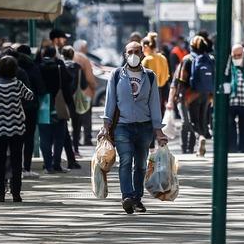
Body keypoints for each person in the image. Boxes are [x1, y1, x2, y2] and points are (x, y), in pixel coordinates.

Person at [99, 41, 168, 214]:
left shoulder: (150, 76)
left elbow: (154, 105)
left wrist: (159, 131)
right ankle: (127, 197)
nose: (134, 55)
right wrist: (105, 126)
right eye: (130, 52)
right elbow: (110, 102)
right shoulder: (116, 75)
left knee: (141, 165)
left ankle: (137, 199)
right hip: (122, 126)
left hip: (144, 128)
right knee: (126, 160)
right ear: (125, 55)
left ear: (143, 54)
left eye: (137, 51)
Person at [0, 56, 34, 203]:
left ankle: (0, 194)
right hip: (17, 128)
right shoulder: (18, 84)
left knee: (0, 161)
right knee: (17, 161)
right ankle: (16, 193)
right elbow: (30, 96)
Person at [167, 35, 213, 156]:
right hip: (205, 95)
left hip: (190, 95)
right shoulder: (210, 59)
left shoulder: (187, 59)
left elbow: (180, 80)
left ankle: (191, 144)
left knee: (189, 122)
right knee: (201, 120)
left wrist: (177, 97)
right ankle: (194, 146)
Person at [37, 46, 74, 174]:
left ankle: (48, 165)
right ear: (54, 55)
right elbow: (68, 81)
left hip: (43, 105)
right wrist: (69, 103)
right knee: (59, 136)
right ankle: (56, 163)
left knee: (44, 136)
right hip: (58, 104)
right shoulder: (59, 66)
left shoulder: (39, 66)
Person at [14, 44, 46, 178]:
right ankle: (26, 168)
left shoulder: (12, 68)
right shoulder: (33, 67)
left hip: (13, 108)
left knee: (15, 138)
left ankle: (15, 168)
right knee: (29, 138)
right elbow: (41, 88)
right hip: (30, 107)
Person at [61, 45, 88, 161]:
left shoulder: (60, 66)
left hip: (62, 99)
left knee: (62, 126)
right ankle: (75, 149)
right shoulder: (78, 68)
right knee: (76, 126)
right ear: (73, 55)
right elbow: (84, 85)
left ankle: (62, 151)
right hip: (75, 99)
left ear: (63, 55)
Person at [72, 40, 97, 146]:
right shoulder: (84, 58)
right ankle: (87, 139)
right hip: (85, 93)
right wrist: (94, 87)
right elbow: (89, 77)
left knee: (75, 118)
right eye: (86, 47)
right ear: (82, 47)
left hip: (72, 93)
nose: (87, 49)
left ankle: (76, 139)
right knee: (86, 118)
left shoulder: (70, 56)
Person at [142, 35, 170, 110]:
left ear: (146, 47)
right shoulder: (163, 58)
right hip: (162, 92)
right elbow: (167, 76)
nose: (142, 50)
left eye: (142, 47)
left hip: (149, 94)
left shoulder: (147, 60)